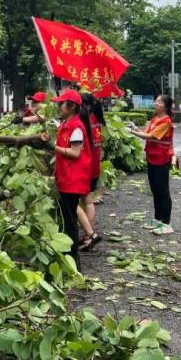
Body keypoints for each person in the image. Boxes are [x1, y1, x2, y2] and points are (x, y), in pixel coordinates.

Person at [41, 89, 94, 257]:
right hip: (66, 178)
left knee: (70, 221)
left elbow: (75, 153)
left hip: (73, 180)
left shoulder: (76, 126)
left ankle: (73, 259)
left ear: (71, 107)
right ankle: (69, 254)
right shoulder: (66, 124)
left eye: (61, 104)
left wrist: (52, 147)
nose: (58, 106)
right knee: (67, 217)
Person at [130, 94, 174, 235]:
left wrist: (131, 132)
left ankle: (166, 223)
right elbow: (145, 133)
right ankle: (157, 219)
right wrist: (135, 128)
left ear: (165, 106)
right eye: (156, 101)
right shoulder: (155, 119)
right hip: (152, 158)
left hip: (162, 159)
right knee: (155, 190)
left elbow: (150, 136)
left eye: (159, 102)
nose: (155, 103)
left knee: (163, 191)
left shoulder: (166, 121)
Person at [77, 93, 105, 250]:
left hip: (85, 168)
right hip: (94, 167)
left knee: (85, 201)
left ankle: (89, 236)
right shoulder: (95, 118)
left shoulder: (83, 121)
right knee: (87, 200)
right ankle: (88, 236)